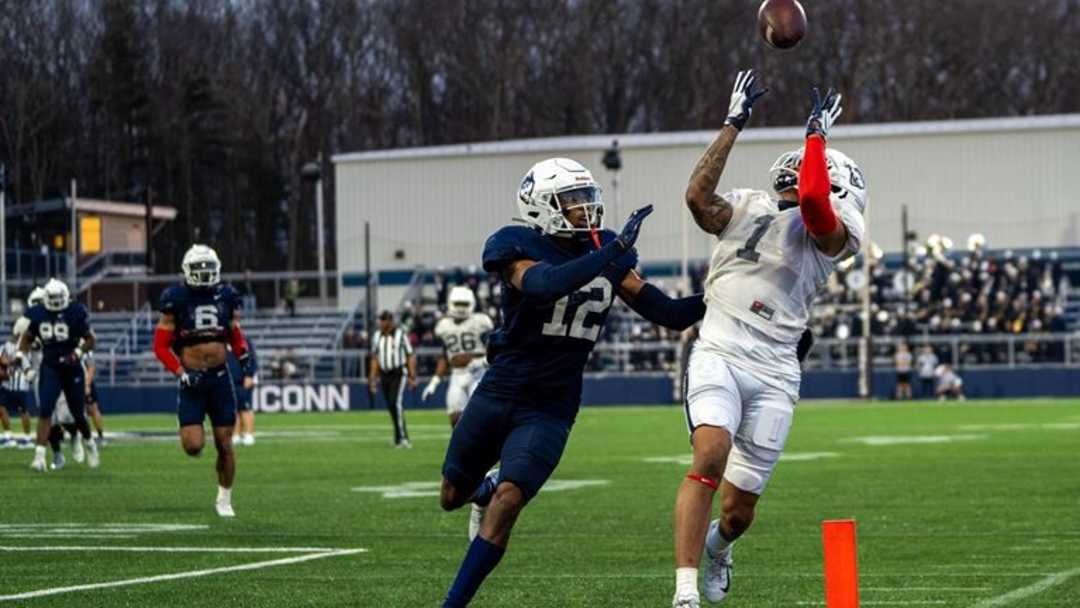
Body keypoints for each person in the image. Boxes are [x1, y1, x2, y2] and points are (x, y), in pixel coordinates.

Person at [438, 157, 706, 608]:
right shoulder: (515, 244)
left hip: (551, 405)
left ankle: (451, 605)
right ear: (540, 205)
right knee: (451, 496)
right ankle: (477, 491)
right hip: (500, 389)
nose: (585, 208)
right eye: (573, 200)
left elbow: (670, 314)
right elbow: (543, 284)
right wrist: (609, 252)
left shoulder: (608, 251)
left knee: (510, 500)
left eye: (587, 198)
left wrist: (724, 291)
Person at [672, 71, 866, 608]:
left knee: (737, 512)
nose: (789, 183)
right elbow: (696, 197)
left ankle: (718, 547)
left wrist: (815, 137)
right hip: (720, 346)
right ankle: (684, 591)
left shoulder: (832, 232)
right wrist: (733, 124)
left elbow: (812, 202)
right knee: (708, 455)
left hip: (776, 365)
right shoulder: (748, 205)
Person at [152, 244, 254, 517]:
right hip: (191, 381)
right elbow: (160, 346)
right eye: (200, 269)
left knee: (225, 443)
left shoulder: (226, 295)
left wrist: (242, 352)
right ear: (187, 271)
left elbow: (234, 331)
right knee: (193, 446)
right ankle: (192, 427)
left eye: (209, 268)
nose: (205, 274)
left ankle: (224, 499)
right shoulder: (176, 299)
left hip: (220, 379)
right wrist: (181, 372)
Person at [16, 279, 99, 471]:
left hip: (71, 367)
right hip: (50, 367)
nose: (55, 302)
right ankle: (39, 457)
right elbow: (26, 339)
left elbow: (90, 339)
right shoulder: (38, 314)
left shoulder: (74, 311)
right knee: (45, 411)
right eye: (51, 298)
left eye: (58, 298)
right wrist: (22, 357)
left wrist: (77, 353)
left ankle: (89, 444)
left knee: (77, 414)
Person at [422, 286, 494, 428]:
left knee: (481, 417)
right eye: (458, 304)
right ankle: (463, 449)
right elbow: (444, 356)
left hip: (479, 374)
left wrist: (481, 362)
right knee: (455, 418)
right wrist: (434, 382)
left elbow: (496, 350)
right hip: (456, 375)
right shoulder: (443, 325)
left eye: (464, 304)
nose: (461, 308)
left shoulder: (481, 321)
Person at [0, 290, 43, 449]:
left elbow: (27, 360)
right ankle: (8, 436)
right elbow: (2, 359)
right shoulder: (7, 345)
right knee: (2, 408)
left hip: (21, 383)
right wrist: (9, 363)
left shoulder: (29, 345)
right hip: (7, 384)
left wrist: (10, 362)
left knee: (23, 411)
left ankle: (26, 438)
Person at [369, 310, 417, 448]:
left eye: (383, 320)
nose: (381, 322)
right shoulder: (377, 336)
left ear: (390, 321)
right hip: (384, 374)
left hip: (398, 372)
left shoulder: (401, 334)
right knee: (391, 406)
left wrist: (412, 375)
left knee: (395, 402)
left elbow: (410, 355)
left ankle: (404, 439)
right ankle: (398, 438)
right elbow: (375, 358)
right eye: (381, 320)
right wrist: (372, 377)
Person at [232, 339, 258, 446]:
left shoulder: (243, 341)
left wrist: (249, 375)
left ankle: (249, 434)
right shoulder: (223, 341)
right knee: (233, 410)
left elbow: (251, 359)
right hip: (229, 380)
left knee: (245, 408)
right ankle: (236, 435)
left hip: (242, 379)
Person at [81, 350, 106, 446]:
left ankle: (100, 436)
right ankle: (84, 436)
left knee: (93, 409)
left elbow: (91, 367)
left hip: (84, 381)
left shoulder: (85, 349)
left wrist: (87, 384)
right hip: (72, 382)